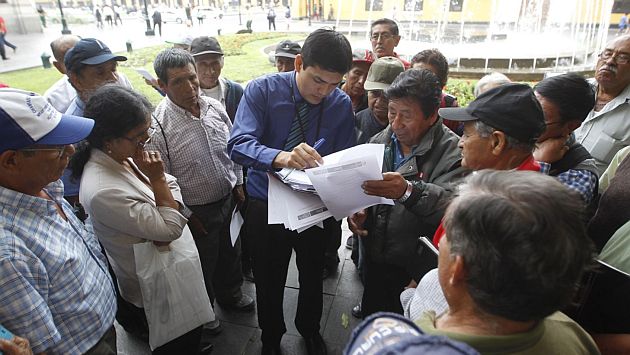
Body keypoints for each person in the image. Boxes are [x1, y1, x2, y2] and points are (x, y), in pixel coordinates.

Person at [228, 28, 355, 355]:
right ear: (298, 63)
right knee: (269, 278)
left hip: (314, 204)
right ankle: (271, 335)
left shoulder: (340, 104)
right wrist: (280, 157)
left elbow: (344, 159)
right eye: (317, 80)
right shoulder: (262, 90)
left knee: (314, 274)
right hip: (266, 203)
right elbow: (238, 145)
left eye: (333, 84)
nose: (324, 91)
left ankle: (310, 330)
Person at [73, 84, 206, 354]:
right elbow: (169, 228)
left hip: (168, 263)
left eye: (147, 130)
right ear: (109, 140)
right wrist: (157, 180)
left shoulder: (121, 155)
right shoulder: (102, 189)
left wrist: (164, 191)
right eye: (138, 135)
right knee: (175, 339)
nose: (146, 140)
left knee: (190, 328)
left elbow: (172, 183)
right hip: (152, 280)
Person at [414, 170, 599, 355]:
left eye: (448, 232)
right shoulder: (571, 333)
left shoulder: (407, 345)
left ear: (459, 268)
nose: (442, 240)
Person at [0, 88, 117, 354]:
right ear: (11, 161)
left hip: (101, 328)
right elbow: (40, 345)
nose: (71, 150)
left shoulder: (40, 186)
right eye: (57, 147)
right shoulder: (8, 253)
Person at [149, 49, 254, 335]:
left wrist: (239, 182)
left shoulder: (214, 107)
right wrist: (186, 215)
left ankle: (232, 295)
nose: (191, 88)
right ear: (162, 85)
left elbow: (235, 148)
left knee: (231, 251)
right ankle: (205, 312)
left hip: (229, 198)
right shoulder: (158, 126)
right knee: (202, 264)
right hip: (197, 212)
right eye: (179, 82)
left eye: (192, 79)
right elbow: (162, 180)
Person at [348, 69, 466, 318]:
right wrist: (358, 212)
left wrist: (408, 191)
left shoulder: (455, 154)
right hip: (376, 257)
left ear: (432, 115)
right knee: (375, 319)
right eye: (392, 112)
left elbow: (453, 208)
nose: (396, 123)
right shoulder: (377, 142)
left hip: (417, 270)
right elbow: (365, 192)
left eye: (406, 116)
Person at [432, 83, 547, 246]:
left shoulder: (508, 206)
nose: (460, 143)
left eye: (466, 134)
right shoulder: (508, 184)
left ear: (496, 142)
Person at [62, 38, 130, 205]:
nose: (113, 79)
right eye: (100, 73)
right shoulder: (71, 133)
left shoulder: (119, 106)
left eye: (114, 70)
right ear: (76, 80)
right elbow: (73, 195)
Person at [532, 73, 599, 205]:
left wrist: (537, 165)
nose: (526, 120)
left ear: (571, 126)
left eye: (540, 117)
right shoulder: (510, 135)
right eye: (528, 109)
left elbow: (531, 215)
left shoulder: (581, 174)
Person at [575, 34, 630, 175]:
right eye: (607, 54)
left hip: (596, 193)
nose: (610, 61)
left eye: (623, 57)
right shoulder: (574, 89)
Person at [190, 36, 244, 122]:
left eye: (214, 63)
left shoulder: (235, 91)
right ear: (192, 65)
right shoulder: (188, 95)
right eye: (203, 64)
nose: (210, 71)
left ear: (222, 62)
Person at [411, 49, 461, 135]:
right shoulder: (397, 104)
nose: (419, 84)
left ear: (442, 82)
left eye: (427, 79)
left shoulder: (450, 108)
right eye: (414, 76)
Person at [44, 35, 81, 113]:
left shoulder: (108, 80)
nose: (81, 64)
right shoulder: (52, 99)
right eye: (72, 62)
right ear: (59, 67)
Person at [340, 49, 374, 113]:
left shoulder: (371, 103)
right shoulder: (329, 94)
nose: (361, 81)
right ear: (346, 71)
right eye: (357, 73)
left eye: (368, 76)